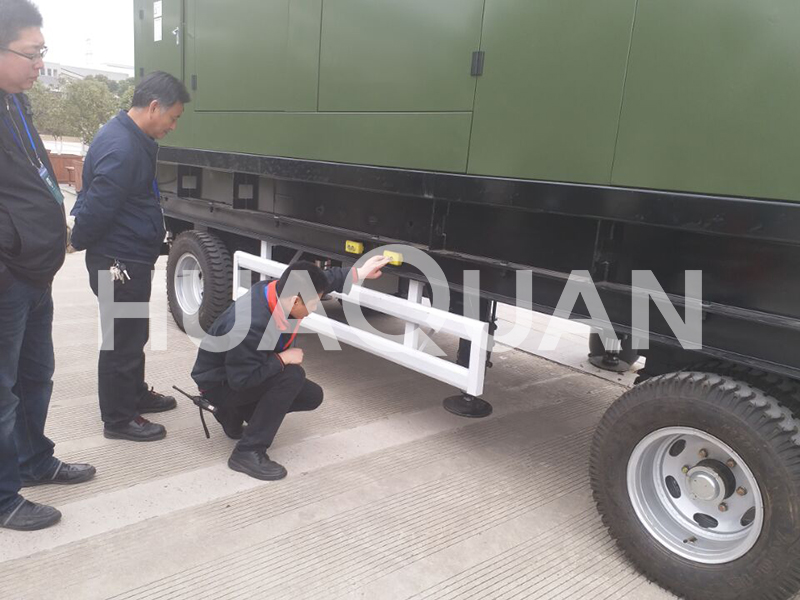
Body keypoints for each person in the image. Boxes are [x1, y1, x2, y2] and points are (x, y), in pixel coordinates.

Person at [0, 0, 96, 531]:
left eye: (44, 53)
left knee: (36, 377)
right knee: (2, 393)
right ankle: (3, 498)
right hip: (8, 278)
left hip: (35, 275)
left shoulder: (16, 102)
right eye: (32, 53)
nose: (41, 64)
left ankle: (33, 460)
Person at [69, 72, 191, 442]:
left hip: (128, 257)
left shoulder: (130, 137)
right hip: (117, 261)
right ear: (154, 107)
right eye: (173, 117)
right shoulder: (122, 147)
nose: (173, 126)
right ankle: (119, 419)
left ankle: (134, 394)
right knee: (121, 340)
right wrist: (79, 242)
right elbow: (97, 207)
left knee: (133, 333)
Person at [192, 256, 391, 480]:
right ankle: (247, 451)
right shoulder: (250, 324)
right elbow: (241, 380)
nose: (313, 309)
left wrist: (359, 273)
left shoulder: (281, 291)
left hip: (238, 373)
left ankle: (232, 414)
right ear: (295, 301)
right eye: (312, 304)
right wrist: (282, 359)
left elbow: (325, 280)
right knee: (291, 376)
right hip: (220, 384)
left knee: (311, 396)